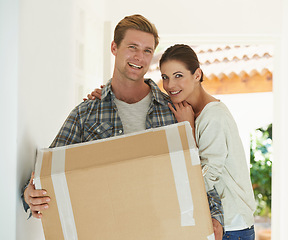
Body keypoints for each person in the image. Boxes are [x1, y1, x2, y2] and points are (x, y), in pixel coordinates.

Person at [21, 15, 224, 239]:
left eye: (147, 50)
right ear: (114, 47)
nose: (140, 57)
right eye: (132, 47)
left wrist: (215, 216)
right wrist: (30, 194)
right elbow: (48, 175)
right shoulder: (86, 114)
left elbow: (197, 171)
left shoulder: (173, 111)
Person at [89, 44, 257, 240]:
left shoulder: (213, 117)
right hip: (209, 223)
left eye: (178, 75)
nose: (170, 85)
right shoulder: (183, 109)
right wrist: (106, 96)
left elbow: (207, 175)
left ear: (197, 75)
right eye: (165, 77)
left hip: (231, 226)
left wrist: (189, 129)